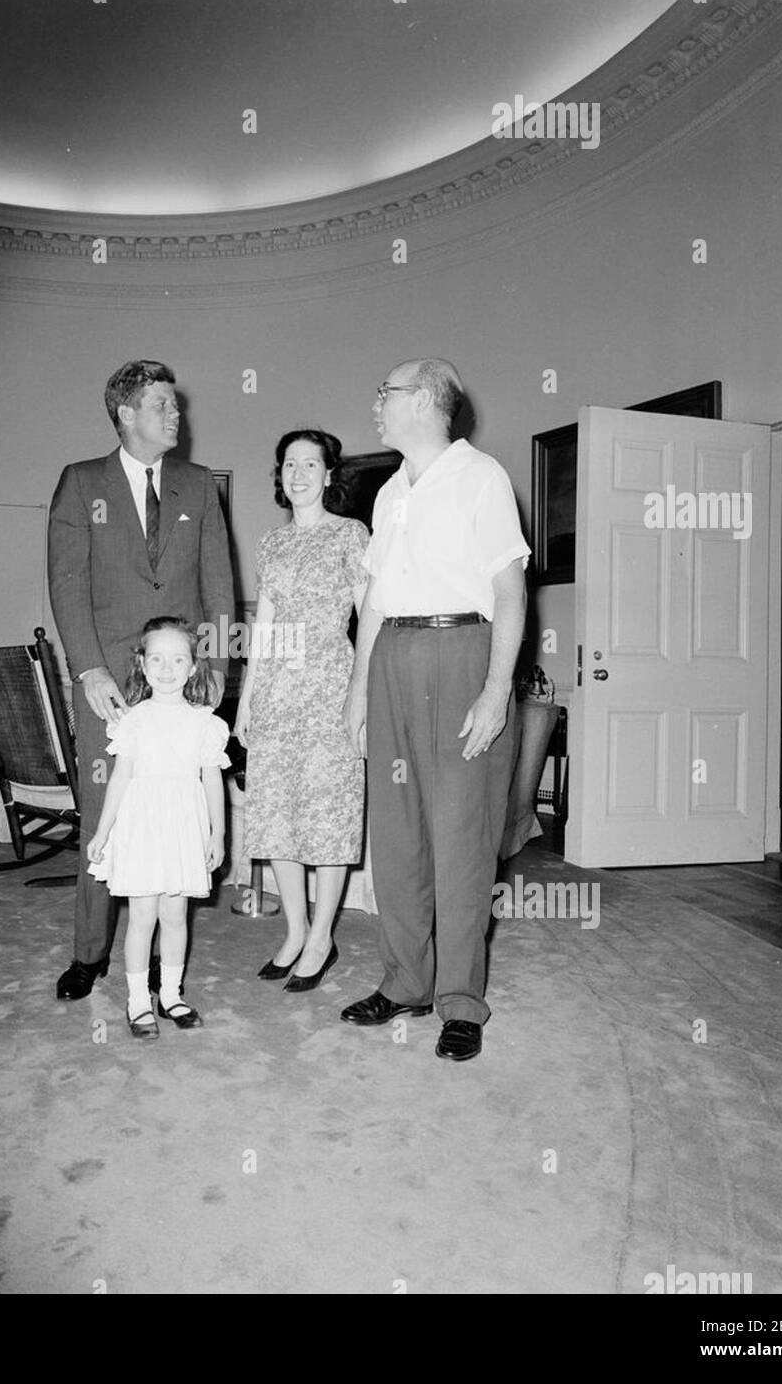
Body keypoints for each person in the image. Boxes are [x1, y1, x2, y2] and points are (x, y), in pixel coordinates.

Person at [342, 359, 529, 1063]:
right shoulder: (389, 491)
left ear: (421, 400)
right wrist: (358, 690)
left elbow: (509, 591)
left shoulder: (481, 478)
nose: (376, 404)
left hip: (463, 654)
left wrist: (496, 688)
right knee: (395, 835)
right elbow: (375, 603)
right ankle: (405, 982)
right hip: (393, 655)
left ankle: (459, 1001)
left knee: (459, 839)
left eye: (383, 392)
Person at [48, 361, 235, 1001]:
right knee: (107, 813)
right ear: (126, 413)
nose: (176, 414)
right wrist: (90, 667)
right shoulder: (81, 483)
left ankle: (163, 964)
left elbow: (218, 583)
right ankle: (90, 953)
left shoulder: (198, 484)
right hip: (105, 678)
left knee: (176, 815)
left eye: (175, 403)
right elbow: (67, 583)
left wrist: (214, 666)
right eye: (162, 404)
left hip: (180, 679)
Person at [233, 430, 368, 992]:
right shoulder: (272, 543)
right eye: (289, 463)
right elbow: (263, 628)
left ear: (329, 475)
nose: (299, 473)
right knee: (278, 815)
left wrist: (360, 698)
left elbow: (371, 618)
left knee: (328, 814)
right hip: (277, 694)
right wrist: (246, 698)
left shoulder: (351, 535)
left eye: (311, 463)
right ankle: (294, 931)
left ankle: (322, 940)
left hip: (331, 686)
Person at [86, 618, 229, 1038]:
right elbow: (119, 780)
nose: (167, 668)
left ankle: (170, 994)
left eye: (178, 659)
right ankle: (136, 1000)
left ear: (192, 668)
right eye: (157, 659)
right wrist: (101, 832)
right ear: (143, 666)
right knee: (142, 916)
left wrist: (217, 833)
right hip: (142, 828)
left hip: (184, 829)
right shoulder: (133, 719)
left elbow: (212, 781)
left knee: (175, 914)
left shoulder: (205, 722)